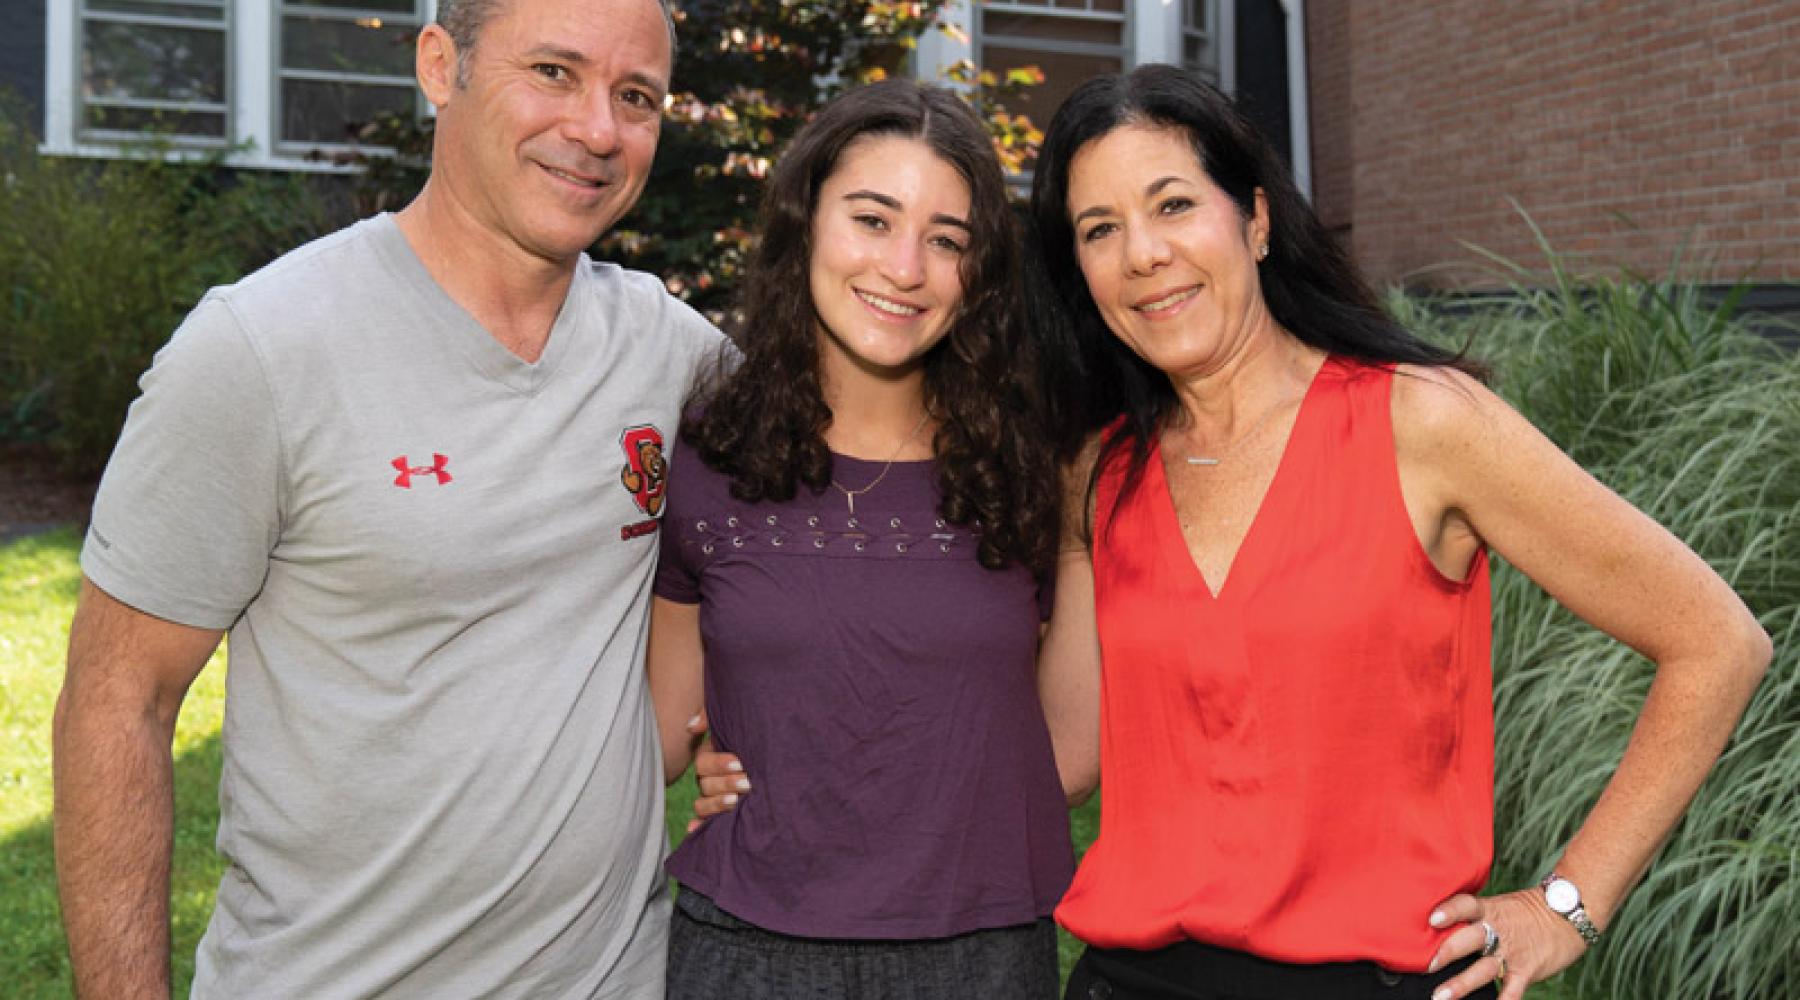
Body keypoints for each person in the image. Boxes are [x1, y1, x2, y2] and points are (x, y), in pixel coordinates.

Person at [1024, 65, 1771, 1000]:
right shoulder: (1102, 473)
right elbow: (1065, 756)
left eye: (1173, 204)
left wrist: (1565, 906)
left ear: (1254, 221)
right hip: (1128, 983)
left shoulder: (1421, 422)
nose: (1142, 253)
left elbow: (1716, 641)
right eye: (1100, 230)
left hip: (1373, 980)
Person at [51, 0, 722, 996]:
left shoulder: (674, 357)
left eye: (636, 97)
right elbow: (118, 704)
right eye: (551, 71)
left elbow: (847, 502)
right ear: (441, 65)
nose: (596, 130)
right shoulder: (262, 350)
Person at [646, 79, 1078, 999]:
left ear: (981, 272)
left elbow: (1069, 754)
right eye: (873, 220)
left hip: (982, 954)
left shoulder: (1036, 470)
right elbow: (657, 737)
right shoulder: (703, 454)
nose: (906, 267)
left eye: (948, 241)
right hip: (745, 950)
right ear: (806, 224)